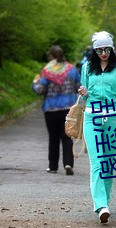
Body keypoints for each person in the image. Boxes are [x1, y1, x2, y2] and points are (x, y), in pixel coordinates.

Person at [78, 31, 116, 223]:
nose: (103, 53)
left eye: (107, 49)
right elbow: (84, 97)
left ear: (112, 48)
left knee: (109, 163)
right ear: (94, 50)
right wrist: (83, 92)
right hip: (92, 117)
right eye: (99, 50)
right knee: (97, 162)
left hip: (112, 118)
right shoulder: (86, 68)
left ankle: (106, 201)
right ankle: (100, 205)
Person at [32, 45, 81, 175]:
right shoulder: (72, 70)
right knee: (67, 137)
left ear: (51, 57)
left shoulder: (47, 71)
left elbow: (40, 90)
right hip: (68, 109)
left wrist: (35, 83)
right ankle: (68, 163)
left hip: (51, 109)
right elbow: (79, 87)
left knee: (53, 138)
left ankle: (53, 166)